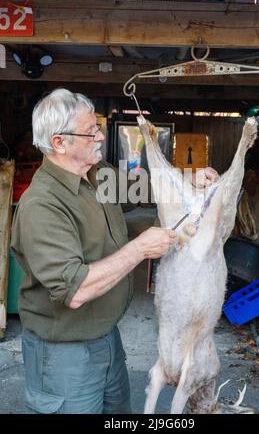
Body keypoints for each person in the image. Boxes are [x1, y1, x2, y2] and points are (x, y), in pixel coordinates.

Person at [10, 88, 218, 414]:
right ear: (59, 142)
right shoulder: (42, 205)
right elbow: (75, 289)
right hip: (64, 355)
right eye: (90, 131)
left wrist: (191, 179)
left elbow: (145, 187)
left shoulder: (95, 173)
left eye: (98, 127)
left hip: (107, 339)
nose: (99, 136)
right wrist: (139, 248)